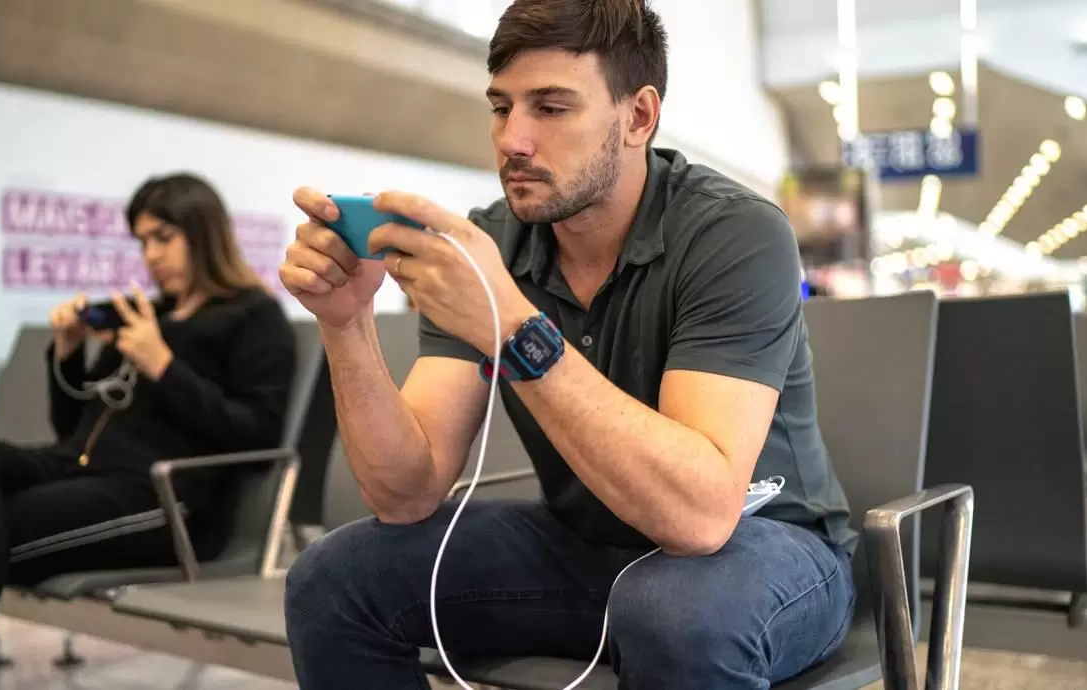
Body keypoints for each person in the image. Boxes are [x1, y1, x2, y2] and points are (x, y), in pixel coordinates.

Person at [278, 1, 856, 688]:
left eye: (550, 108)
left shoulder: (736, 234)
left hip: (766, 549)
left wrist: (515, 328)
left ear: (638, 116)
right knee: (334, 578)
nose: (512, 140)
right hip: (589, 549)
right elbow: (405, 493)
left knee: (677, 610)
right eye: (501, 108)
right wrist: (348, 323)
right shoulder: (489, 242)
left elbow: (699, 518)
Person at [0, 173, 297, 690]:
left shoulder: (254, 317)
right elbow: (75, 425)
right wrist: (68, 352)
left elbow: (259, 440)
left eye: (164, 237)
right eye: (143, 241)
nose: (151, 255)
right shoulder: (149, 314)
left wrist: (163, 364)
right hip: (81, 468)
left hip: (161, 501)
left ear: (204, 233)